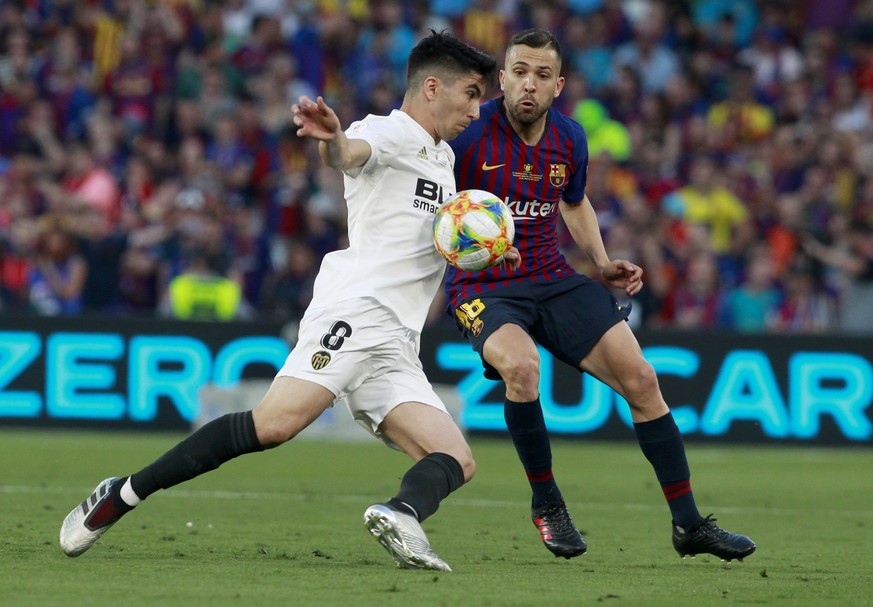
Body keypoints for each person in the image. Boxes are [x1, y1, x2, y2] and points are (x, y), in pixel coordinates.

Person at [59, 30, 501, 572]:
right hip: (357, 312)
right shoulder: (388, 132)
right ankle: (122, 492)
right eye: (472, 94)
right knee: (273, 426)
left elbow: (427, 238)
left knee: (456, 457)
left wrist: (485, 252)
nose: (477, 111)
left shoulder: (442, 157)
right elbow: (350, 152)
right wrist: (333, 140)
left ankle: (401, 514)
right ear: (433, 87)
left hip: (397, 340)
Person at [446, 28, 756, 562]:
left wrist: (600, 261)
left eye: (542, 75)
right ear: (501, 78)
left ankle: (688, 525)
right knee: (522, 370)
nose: (528, 84)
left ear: (558, 85)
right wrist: (481, 251)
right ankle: (548, 504)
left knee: (642, 379)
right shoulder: (467, 137)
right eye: (519, 71)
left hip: (552, 276)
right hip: (483, 286)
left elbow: (574, 202)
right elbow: (433, 212)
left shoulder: (570, 138)